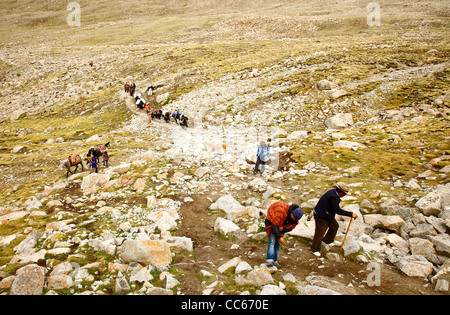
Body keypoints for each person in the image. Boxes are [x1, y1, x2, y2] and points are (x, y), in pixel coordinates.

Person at [311, 182, 358, 256]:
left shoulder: (333, 193)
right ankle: (314, 249)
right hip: (321, 216)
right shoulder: (333, 197)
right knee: (320, 232)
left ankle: (327, 240)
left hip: (328, 215)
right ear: (341, 192)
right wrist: (351, 214)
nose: (344, 196)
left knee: (334, 226)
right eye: (344, 194)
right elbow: (338, 210)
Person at [265, 201, 303, 268]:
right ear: (291, 213)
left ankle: (275, 261)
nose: (294, 219)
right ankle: (269, 261)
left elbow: (291, 227)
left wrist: (283, 229)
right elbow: (274, 224)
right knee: (272, 241)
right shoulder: (281, 211)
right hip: (271, 223)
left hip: (279, 226)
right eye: (293, 217)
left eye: (295, 219)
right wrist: (279, 237)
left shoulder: (294, 219)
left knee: (278, 244)